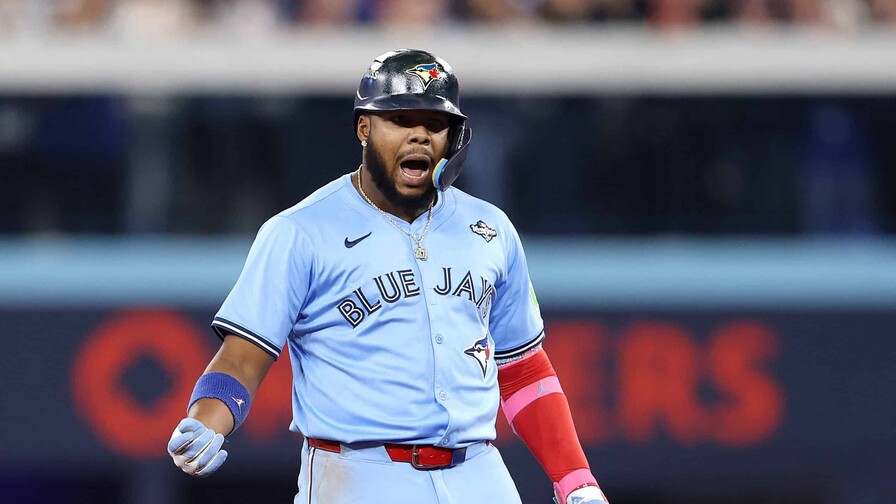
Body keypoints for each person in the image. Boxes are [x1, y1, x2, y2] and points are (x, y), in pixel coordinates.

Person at [167, 49, 609, 504]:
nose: (419, 134)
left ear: (454, 137)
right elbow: (241, 359)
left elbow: (522, 369)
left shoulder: (490, 228)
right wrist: (206, 420)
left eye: (435, 124)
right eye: (400, 119)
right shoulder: (300, 231)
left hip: (478, 472)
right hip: (357, 474)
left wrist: (575, 478)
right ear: (364, 128)